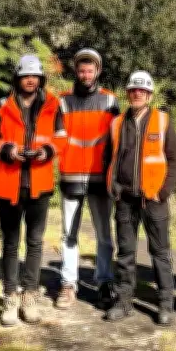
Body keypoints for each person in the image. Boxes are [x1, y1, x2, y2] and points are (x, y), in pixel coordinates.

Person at [0, 54, 67, 326]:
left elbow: (62, 139)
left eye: (35, 76)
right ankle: (9, 297)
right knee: (10, 243)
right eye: (25, 76)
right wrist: (8, 150)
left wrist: (47, 151)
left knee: (35, 243)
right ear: (17, 79)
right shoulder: (1, 106)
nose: (30, 80)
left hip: (39, 183)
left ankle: (29, 295)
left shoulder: (54, 106)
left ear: (41, 79)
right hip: (9, 184)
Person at [103, 70, 176, 326]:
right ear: (128, 93)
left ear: (149, 95)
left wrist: (164, 190)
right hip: (125, 199)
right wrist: (113, 186)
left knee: (160, 253)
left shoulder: (162, 120)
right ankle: (124, 301)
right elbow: (109, 158)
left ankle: (165, 304)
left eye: (142, 91)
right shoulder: (116, 123)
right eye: (133, 90)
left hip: (154, 199)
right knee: (125, 252)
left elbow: (174, 159)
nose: (137, 94)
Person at [54, 48, 120, 311]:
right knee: (68, 235)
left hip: (100, 180)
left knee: (104, 235)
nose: (85, 74)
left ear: (98, 71)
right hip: (70, 177)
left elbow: (117, 143)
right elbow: (56, 139)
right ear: (76, 71)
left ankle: (104, 282)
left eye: (89, 70)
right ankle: (68, 284)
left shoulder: (110, 101)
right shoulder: (62, 102)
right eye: (81, 70)